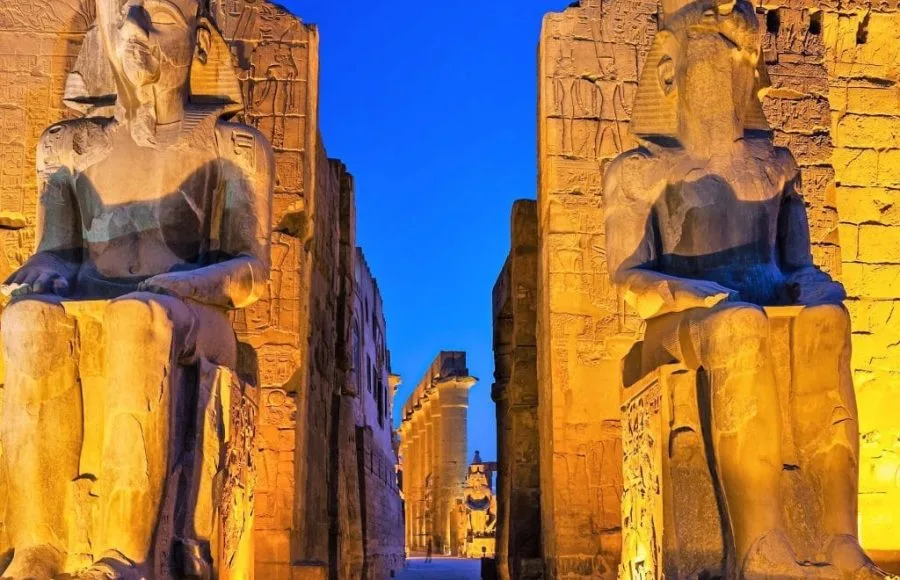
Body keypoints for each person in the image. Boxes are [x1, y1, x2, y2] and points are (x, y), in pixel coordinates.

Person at [604, 1, 886, 578]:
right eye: (717, 59)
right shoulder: (640, 171)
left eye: (745, 62)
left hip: (758, 302)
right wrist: (687, 291)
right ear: (670, 73)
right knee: (740, 325)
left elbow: (796, 264)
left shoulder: (776, 165)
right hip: (680, 319)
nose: (736, 76)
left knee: (828, 321)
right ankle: (759, 546)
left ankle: (839, 538)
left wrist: (809, 284)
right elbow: (629, 279)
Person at [0, 0, 273, 578]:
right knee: (24, 323)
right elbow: (56, 247)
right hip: (104, 296)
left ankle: (123, 553)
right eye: (122, 16)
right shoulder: (66, 147)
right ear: (102, 32)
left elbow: (250, 271)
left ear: (200, 42)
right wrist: (45, 269)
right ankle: (37, 550)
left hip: (194, 308)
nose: (136, 31)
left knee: (136, 318)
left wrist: (186, 282)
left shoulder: (234, 148)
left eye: (160, 17)